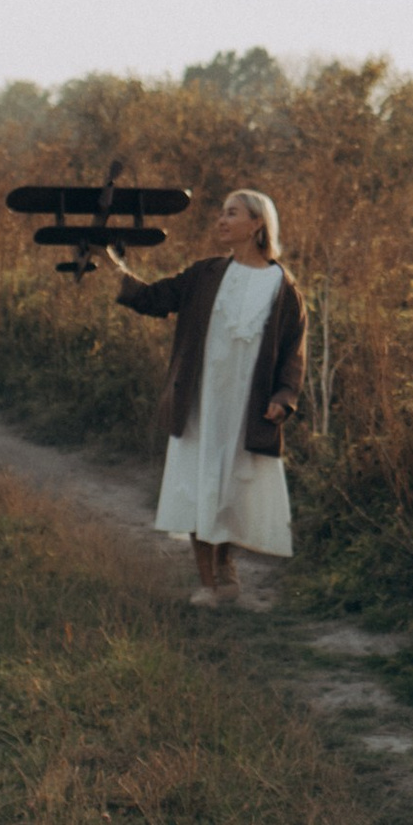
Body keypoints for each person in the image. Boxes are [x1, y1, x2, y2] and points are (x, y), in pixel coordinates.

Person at [106, 187, 305, 605]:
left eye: (231, 213)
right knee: (198, 485)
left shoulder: (282, 287)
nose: (221, 220)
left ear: (257, 224)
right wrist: (113, 268)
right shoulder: (206, 274)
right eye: (221, 212)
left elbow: (292, 353)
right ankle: (209, 582)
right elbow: (154, 298)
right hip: (201, 402)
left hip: (246, 407)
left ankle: (225, 565)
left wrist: (284, 397)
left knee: (231, 486)